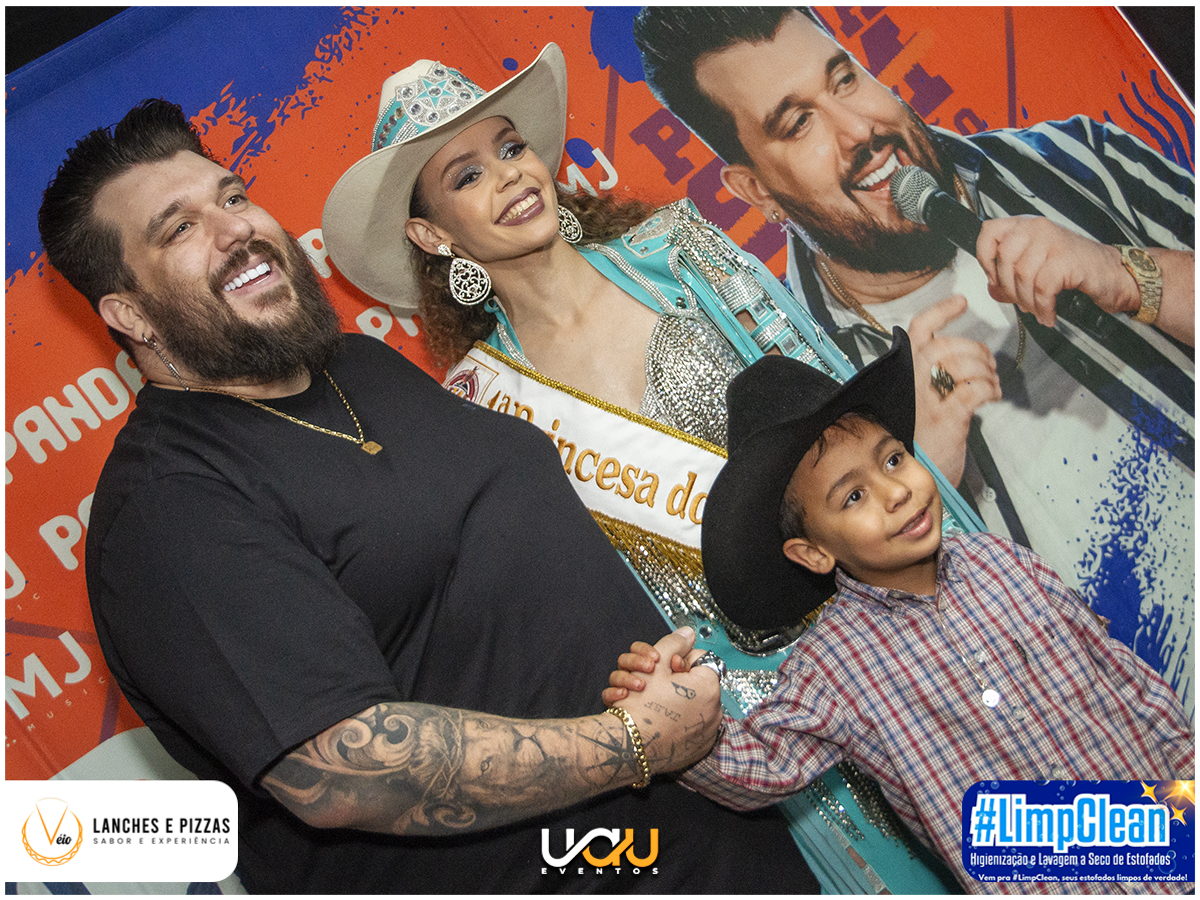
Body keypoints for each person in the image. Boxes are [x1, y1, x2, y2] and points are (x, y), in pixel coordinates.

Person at [38, 97, 821, 894]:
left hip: (715, 849)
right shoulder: (168, 509)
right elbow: (339, 771)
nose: (234, 228)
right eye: (179, 229)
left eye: (232, 196)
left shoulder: (358, 366)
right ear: (130, 313)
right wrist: (634, 744)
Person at [322, 43, 967, 893]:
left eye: (510, 147)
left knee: (1060, 836)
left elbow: (836, 408)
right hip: (757, 707)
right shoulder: (478, 403)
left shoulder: (675, 252)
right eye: (467, 175)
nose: (509, 175)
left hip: (884, 605)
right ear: (432, 234)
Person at [632, 6, 1195, 711]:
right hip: (1122, 744)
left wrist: (1131, 276)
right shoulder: (814, 378)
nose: (859, 130)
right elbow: (881, 670)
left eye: (844, 79)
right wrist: (925, 475)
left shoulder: (1070, 165)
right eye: (799, 122)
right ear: (754, 190)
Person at [606, 328, 1195, 894]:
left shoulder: (1002, 560)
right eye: (853, 496)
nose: (896, 491)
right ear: (813, 553)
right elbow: (764, 762)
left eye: (892, 460)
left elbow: (1122, 678)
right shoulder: (834, 666)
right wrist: (672, 720)